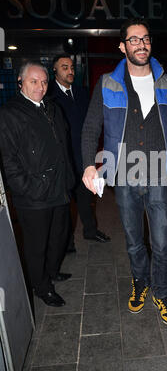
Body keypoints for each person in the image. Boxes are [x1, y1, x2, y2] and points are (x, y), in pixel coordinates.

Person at [81, 18, 167, 325]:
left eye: (146, 39)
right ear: (122, 46)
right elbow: (90, 127)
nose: (141, 44)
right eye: (133, 39)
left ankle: (163, 293)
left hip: (160, 175)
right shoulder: (107, 83)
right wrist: (88, 164)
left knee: (163, 242)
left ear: (151, 43)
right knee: (135, 241)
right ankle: (140, 282)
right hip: (124, 175)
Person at [0, 61, 74, 307]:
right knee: (37, 245)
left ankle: (51, 272)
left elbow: (64, 145)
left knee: (59, 236)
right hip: (33, 194)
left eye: (44, 82)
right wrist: (26, 187)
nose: (40, 87)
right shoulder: (11, 113)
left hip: (59, 187)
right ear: (21, 82)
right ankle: (41, 286)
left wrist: (69, 179)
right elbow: (8, 159)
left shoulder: (52, 108)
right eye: (34, 81)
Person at [47, 54, 110, 249]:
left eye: (72, 67)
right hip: (62, 158)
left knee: (85, 197)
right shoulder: (48, 95)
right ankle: (67, 242)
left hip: (83, 156)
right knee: (64, 203)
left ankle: (90, 231)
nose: (70, 70)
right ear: (55, 71)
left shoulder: (82, 92)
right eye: (64, 67)